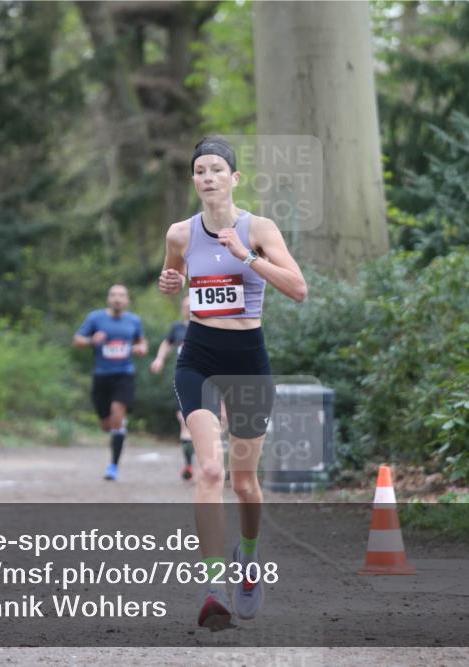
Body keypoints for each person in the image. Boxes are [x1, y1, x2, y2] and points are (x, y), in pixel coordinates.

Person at [157, 136, 307, 629]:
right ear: (194, 179)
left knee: (245, 483)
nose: (208, 177)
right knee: (210, 473)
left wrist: (246, 256)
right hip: (198, 357)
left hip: (247, 360)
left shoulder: (258, 228)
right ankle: (213, 586)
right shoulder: (180, 233)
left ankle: (247, 558)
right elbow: (174, 275)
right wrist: (171, 283)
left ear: (234, 178)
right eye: (200, 170)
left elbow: (299, 289)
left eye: (217, 169)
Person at [73, 284, 148, 481]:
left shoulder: (134, 321)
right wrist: (91, 341)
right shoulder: (95, 318)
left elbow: (142, 342)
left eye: (121, 295)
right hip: (101, 376)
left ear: (127, 300)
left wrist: (141, 348)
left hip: (124, 375)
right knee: (107, 425)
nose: (117, 298)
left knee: (117, 416)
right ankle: (118, 429)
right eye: (113, 295)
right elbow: (77, 340)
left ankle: (113, 466)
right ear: (108, 299)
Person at [149, 296, 195, 481]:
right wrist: (159, 359)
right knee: (184, 420)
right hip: (184, 380)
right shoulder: (177, 328)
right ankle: (189, 465)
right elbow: (167, 343)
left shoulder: (208, 327)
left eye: (191, 305)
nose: (188, 309)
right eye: (185, 306)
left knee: (217, 421)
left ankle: (219, 464)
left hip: (209, 380)